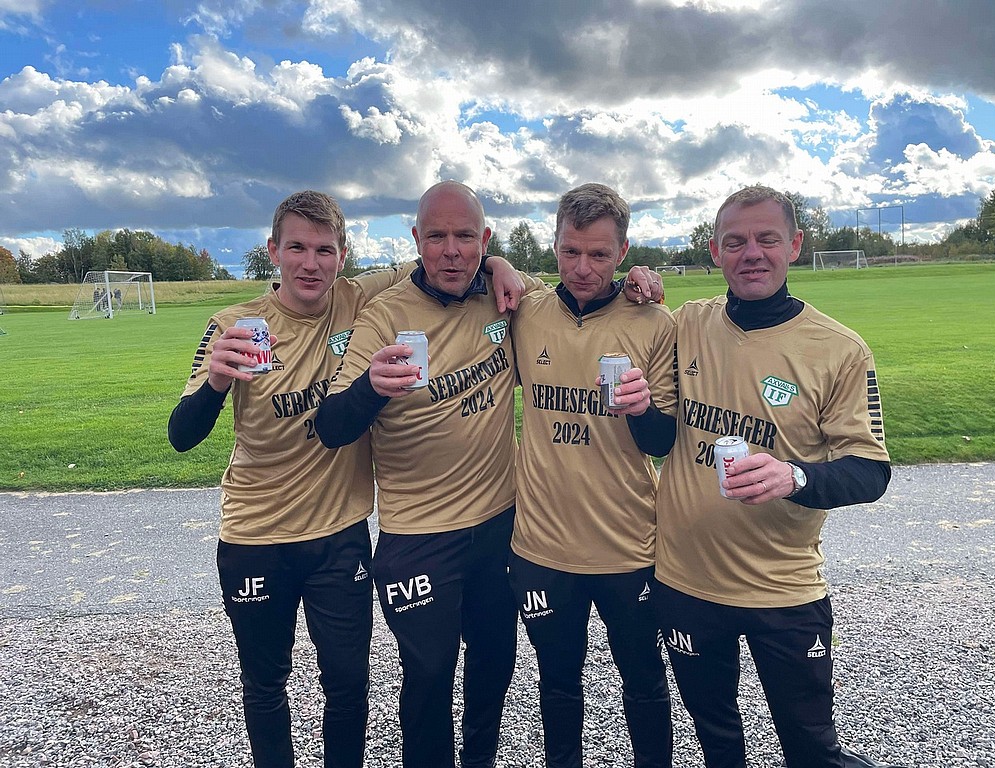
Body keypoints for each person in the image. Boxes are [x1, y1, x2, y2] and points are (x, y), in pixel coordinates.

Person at [166, 189, 522, 768]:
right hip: (256, 532)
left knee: (348, 686)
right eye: (297, 248)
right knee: (265, 683)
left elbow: (438, 258)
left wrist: (499, 262)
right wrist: (215, 382)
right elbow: (182, 435)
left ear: (342, 255)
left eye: (324, 250)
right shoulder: (235, 325)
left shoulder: (356, 299)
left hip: (339, 531)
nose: (311, 264)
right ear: (273, 251)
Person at [653, 185, 894, 768]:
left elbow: (870, 471)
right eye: (735, 242)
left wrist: (794, 477)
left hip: (783, 589)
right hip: (685, 582)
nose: (752, 253)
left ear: (795, 245)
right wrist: (637, 280)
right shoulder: (687, 323)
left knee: (810, 747)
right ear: (715, 251)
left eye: (767, 239)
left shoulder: (839, 349)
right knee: (717, 741)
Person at [314, 180, 522, 768]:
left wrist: (639, 282)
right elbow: (331, 425)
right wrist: (370, 388)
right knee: (429, 675)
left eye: (465, 237)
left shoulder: (506, 295)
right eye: (436, 237)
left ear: (485, 239)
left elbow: (583, 299)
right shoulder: (384, 316)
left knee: (494, 662)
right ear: (415, 240)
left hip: (499, 524)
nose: (451, 251)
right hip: (419, 535)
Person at [508, 183, 676, 768]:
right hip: (542, 547)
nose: (583, 268)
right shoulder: (526, 311)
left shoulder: (654, 322)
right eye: (570, 251)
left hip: (627, 544)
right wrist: (499, 261)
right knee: (557, 683)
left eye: (600, 254)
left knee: (644, 679)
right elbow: (469, 270)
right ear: (554, 244)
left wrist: (643, 410)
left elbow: (662, 442)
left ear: (623, 252)